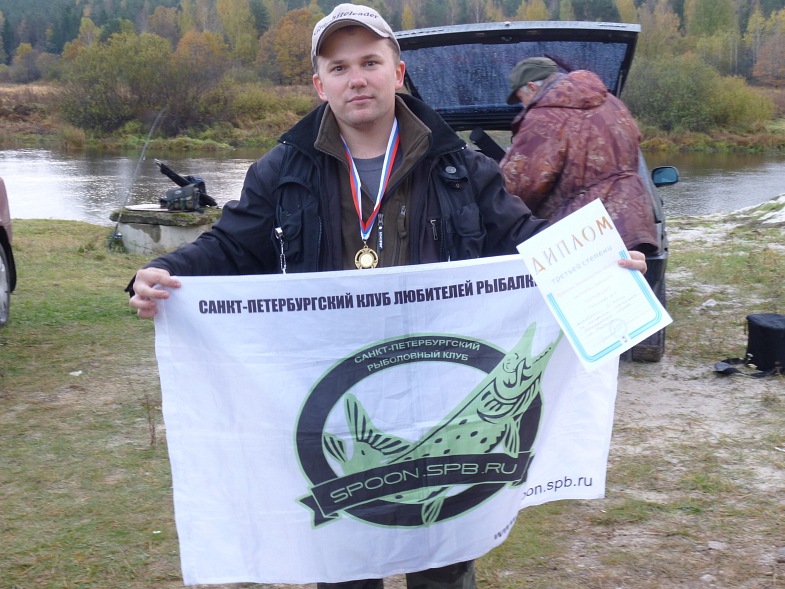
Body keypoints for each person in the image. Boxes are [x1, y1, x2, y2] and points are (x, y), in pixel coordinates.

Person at [128, 6, 647, 588]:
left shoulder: (461, 166)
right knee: (344, 558)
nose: (357, 78)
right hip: (329, 390)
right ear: (320, 84)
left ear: (397, 73)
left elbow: (526, 241)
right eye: (339, 67)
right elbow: (230, 245)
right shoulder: (281, 170)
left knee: (444, 559)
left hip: (442, 388)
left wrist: (598, 264)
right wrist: (162, 270)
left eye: (370, 62)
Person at [499, 56, 658, 253]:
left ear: (531, 87)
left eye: (521, 99)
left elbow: (520, 186)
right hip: (632, 221)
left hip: (583, 237)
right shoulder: (612, 103)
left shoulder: (544, 117)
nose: (523, 106)